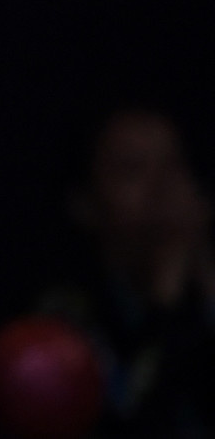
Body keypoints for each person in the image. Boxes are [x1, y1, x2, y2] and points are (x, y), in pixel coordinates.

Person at [38, 105, 215, 435]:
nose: (162, 188)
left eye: (173, 165)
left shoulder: (204, 294)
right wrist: (165, 306)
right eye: (132, 170)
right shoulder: (63, 322)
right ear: (85, 203)